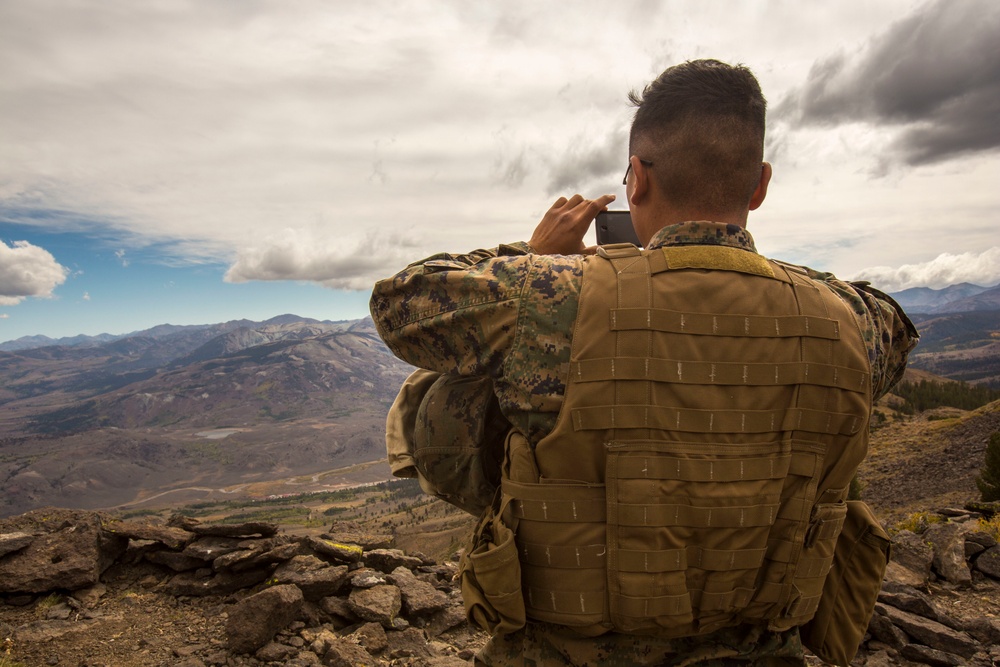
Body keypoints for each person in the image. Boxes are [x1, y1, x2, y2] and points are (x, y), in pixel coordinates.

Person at [370, 59, 917, 666]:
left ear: (636, 178)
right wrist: (770, 284)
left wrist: (535, 256)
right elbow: (893, 324)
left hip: (564, 653)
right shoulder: (851, 319)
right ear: (760, 185)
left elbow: (400, 303)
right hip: (761, 652)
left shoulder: (551, 298)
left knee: (449, 389)